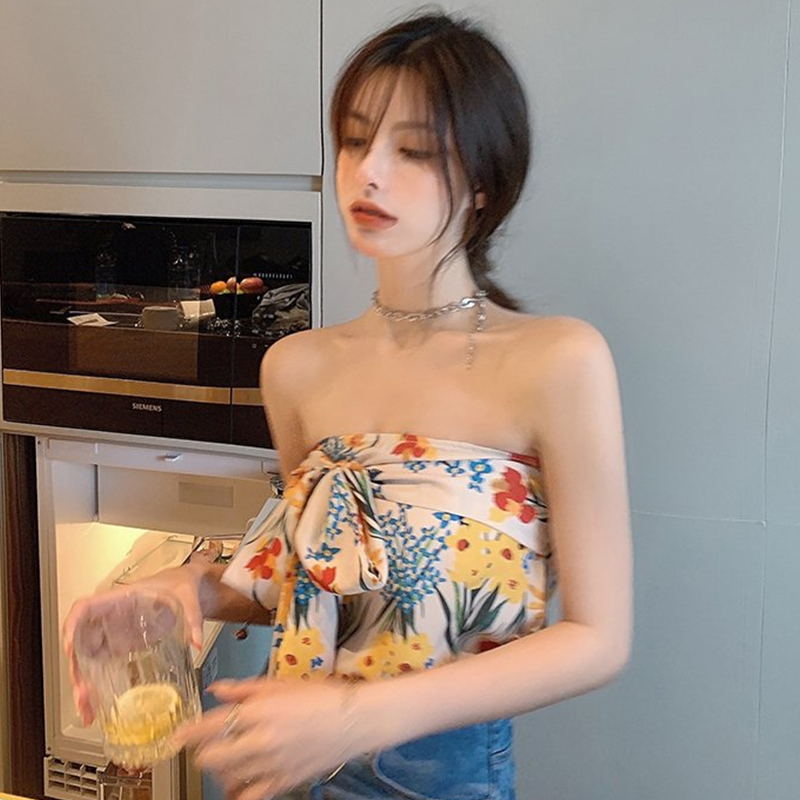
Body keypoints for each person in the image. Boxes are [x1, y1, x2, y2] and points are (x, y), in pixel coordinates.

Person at [63, 10, 632, 800]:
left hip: (441, 776)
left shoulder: (559, 360)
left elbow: (598, 638)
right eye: (356, 141)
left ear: (484, 181)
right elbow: (324, 579)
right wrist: (189, 589)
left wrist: (358, 718)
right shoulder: (296, 368)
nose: (369, 172)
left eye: (413, 150)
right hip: (291, 758)